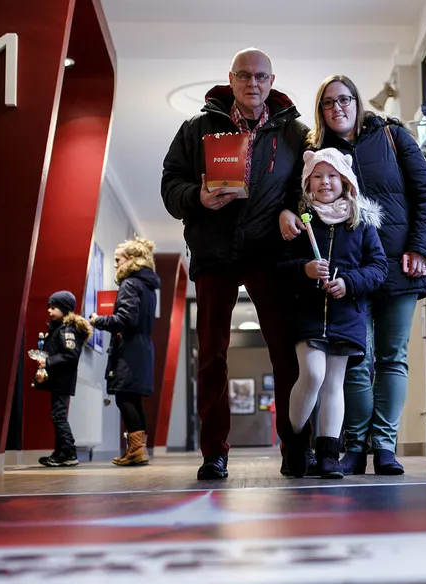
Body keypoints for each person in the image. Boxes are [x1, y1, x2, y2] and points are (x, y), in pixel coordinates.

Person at [161, 48, 313, 480]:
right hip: (214, 253)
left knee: (286, 354)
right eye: (244, 75)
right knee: (211, 356)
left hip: (271, 254)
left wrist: (292, 210)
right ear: (231, 79)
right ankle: (214, 452)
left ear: (272, 80)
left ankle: (294, 444)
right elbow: (170, 184)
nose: (253, 83)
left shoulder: (296, 133)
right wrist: (198, 197)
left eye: (261, 76)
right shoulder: (196, 128)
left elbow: (309, 187)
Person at [280, 75, 426, 475]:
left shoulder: (392, 136)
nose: (338, 108)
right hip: (346, 273)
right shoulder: (316, 152)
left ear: (357, 102)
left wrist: (421, 247)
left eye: (345, 99)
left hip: (400, 264)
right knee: (351, 360)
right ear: (320, 110)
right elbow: (295, 197)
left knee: (392, 358)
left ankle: (384, 446)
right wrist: (285, 211)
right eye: (328, 102)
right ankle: (352, 445)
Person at [279, 149, 386, 478]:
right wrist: (305, 269)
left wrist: (349, 282)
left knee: (333, 384)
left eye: (332, 175)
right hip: (308, 315)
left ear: (345, 180)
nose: (325, 182)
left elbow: (378, 268)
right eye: (317, 176)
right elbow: (279, 269)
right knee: (312, 374)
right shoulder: (299, 223)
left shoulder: (362, 223)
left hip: (346, 315)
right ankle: (297, 444)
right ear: (307, 183)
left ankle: (328, 453)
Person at [90, 237, 161, 467]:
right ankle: (138, 449)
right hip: (142, 348)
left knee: (124, 398)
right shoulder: (148, 287)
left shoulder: (130, 284)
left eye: (117, 259)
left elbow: (126, 319)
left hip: (129, 349)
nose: (114, 264)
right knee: (134, 399)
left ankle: (136, 450)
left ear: (131, 259)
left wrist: (98, 320)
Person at [34, 291, 92, 467]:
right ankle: (60, 452)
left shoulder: (67, 331)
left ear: (64, 309)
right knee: (57, 415)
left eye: (54, 307)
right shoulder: (59, 328)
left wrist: (48, 361)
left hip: (62, 379)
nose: (49, 311)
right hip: (57, 379)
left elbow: (70, 356)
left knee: (59, 416)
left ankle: (68, 452)